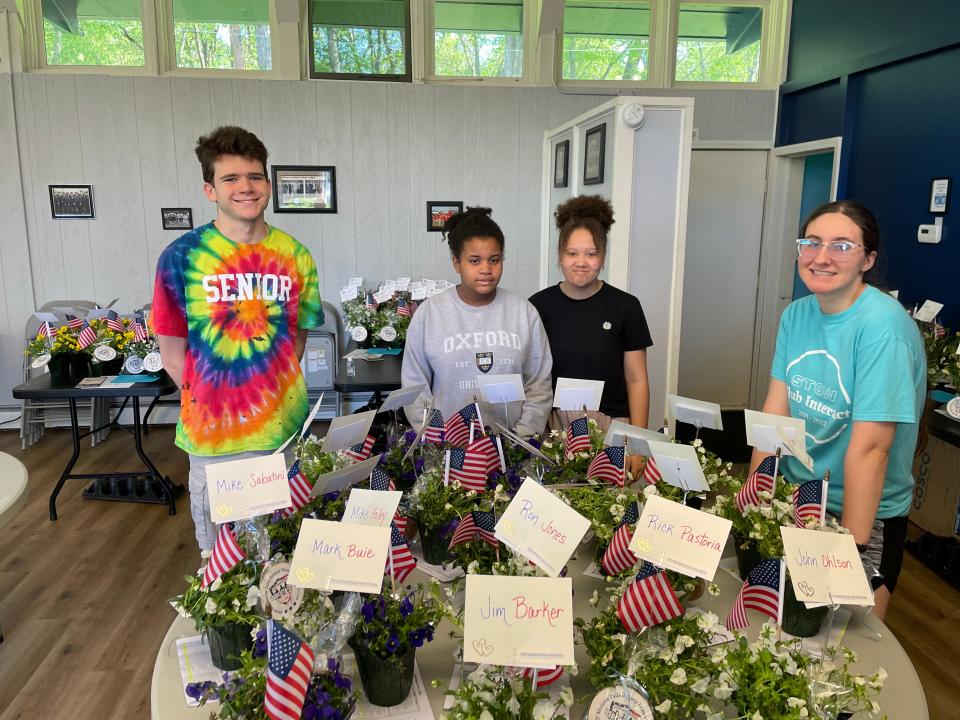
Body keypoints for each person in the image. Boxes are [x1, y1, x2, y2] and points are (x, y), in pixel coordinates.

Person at [152, 126, 323, 552]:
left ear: (267, 183)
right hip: (216, 440)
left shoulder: (296, 256)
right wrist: (216, 399)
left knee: (283, 552)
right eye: (230, 179)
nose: (245, 187)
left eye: (255, 177)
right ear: (210, 189)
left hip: (284, 433)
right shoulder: (182, 257)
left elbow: (296, 341)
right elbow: (172, 354)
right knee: (223, 563)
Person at [754, 199, 925, 619]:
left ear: (868, 259)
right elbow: (774, 417)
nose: (822, 257)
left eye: (842, 246)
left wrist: (849, 552)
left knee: (848, 640)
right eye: (811, 243)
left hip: (861, 510)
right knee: (782, 628)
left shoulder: (883, 329)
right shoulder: (797, 314)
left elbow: (871, 451)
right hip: (798, 496)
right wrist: (753, 504)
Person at [401, 207, 552, 437]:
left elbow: (538, 384)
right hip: (448, 448)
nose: (486, 269)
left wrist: (523, 437)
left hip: (514, 446)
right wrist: (437, 438)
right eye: (474, 260)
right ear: (456, 263)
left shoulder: (524, 313)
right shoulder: (430, 314)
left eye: (494, 260)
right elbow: (415, 387)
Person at [529, 195, 652, 475]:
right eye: (572, 253)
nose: (581, 262)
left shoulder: (626, 307)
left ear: (603, 257)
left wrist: (636, 442)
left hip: (612, 427)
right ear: (560, 257)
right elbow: (530, 376)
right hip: (553, 427)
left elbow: (637, 379)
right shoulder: (538, 306)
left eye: (591, 253)